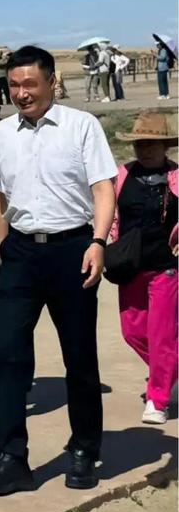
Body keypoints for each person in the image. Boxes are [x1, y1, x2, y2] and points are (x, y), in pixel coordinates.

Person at [0, 46, 117, 496]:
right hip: (20, 252)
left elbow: (103, 188)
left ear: (52, 83)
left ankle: (84, 449)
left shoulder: (82, 126)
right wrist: (4, 249)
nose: (21, 93)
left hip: (73, 249)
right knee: (8, 356)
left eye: (30, 84)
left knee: (79, 355)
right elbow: (0, 198)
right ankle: (11, 457)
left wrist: (98, 242)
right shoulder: (1, 133)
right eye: (13, 85)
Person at [111, 112, 178, 424]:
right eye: (140, 143)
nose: (145, 149)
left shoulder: (176, 177)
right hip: (131, 266)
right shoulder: (121, 175)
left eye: (152, 143)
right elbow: (107, 211)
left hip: (167, 267)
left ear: (165, 146)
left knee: (162, 335)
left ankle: (158, 399)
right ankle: (167, 369)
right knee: (133, 332)